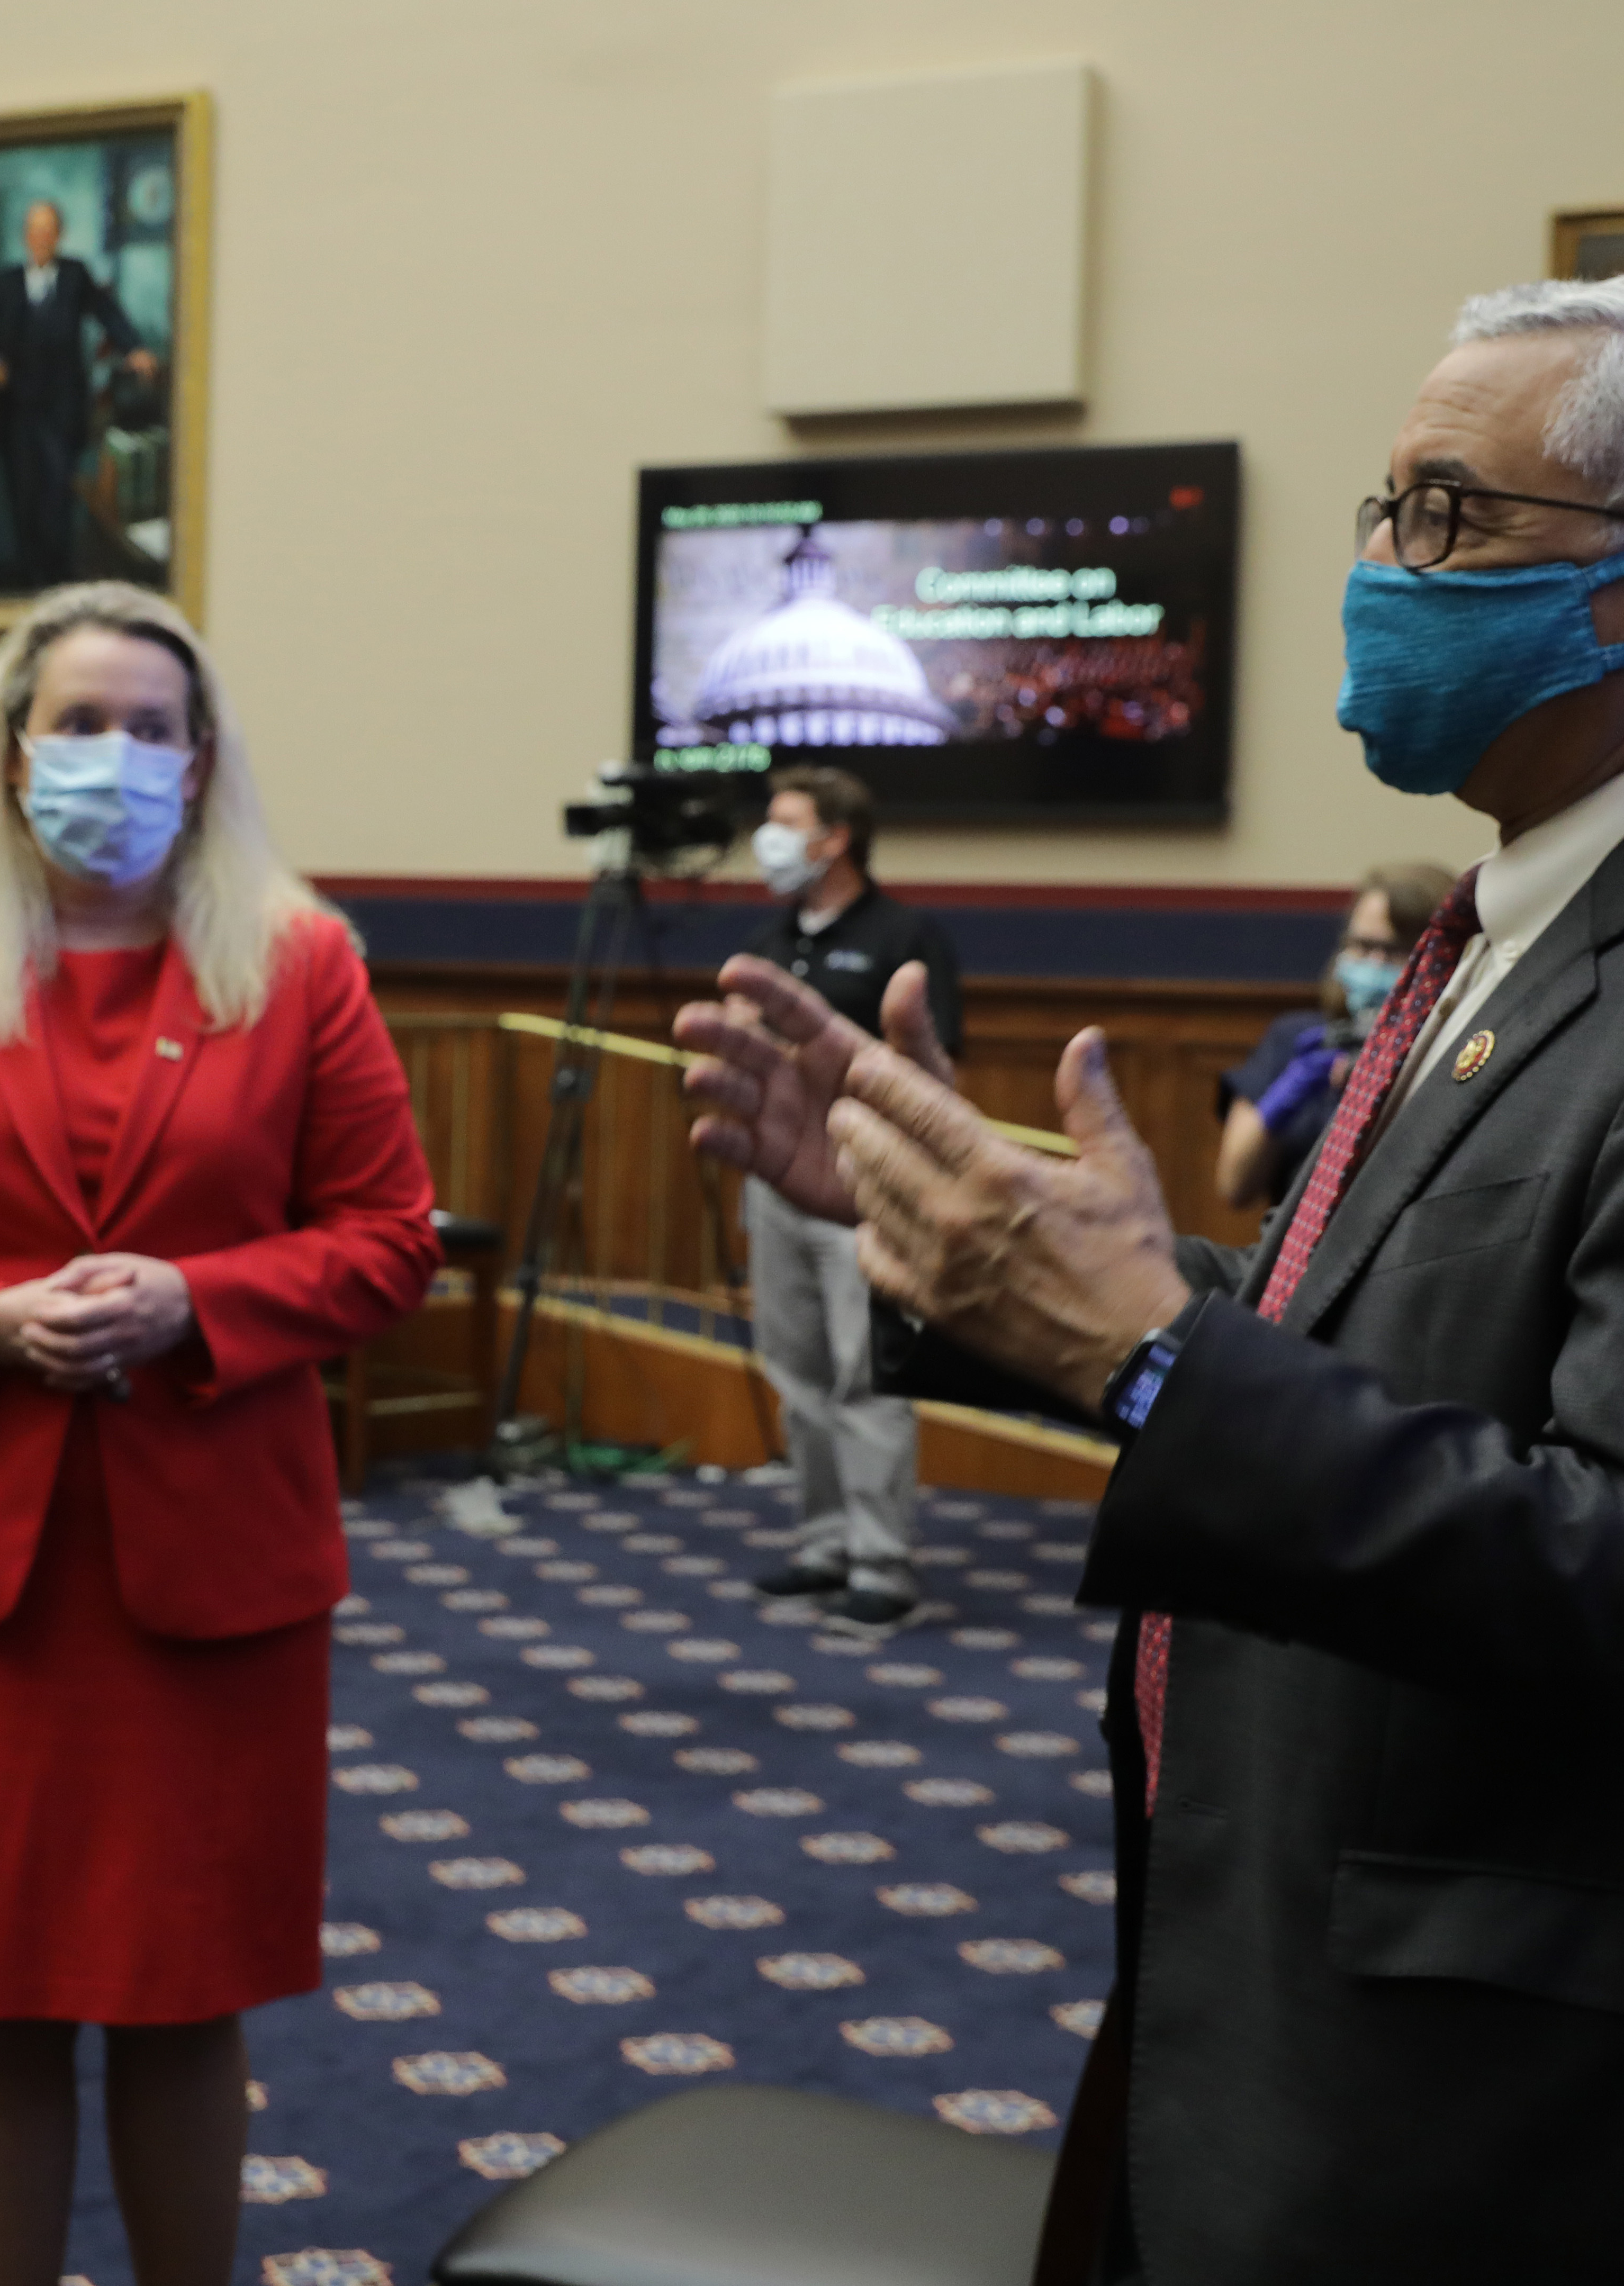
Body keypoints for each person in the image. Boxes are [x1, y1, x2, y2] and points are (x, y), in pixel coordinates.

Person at [673, 278, 1624, 2284]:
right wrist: (950, 1211)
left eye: (1446, 522)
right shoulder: (1499, 922)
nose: (1381, 573)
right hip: (1283, 1965)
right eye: (1381, 514)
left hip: (1493, 2086)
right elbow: (1323, 1335)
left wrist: (1149, 1350)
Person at [0, 582, 438, 2286]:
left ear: (199, 768)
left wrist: (196, 1299)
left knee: (178, 1997)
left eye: (149, 728)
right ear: (9, 751)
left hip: (205, 1571)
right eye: (78, 722)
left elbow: (387, 1235)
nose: (111, 758)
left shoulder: (298, 966)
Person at [737, 765, 963, 1633]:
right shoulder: (764, 939)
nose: (768, 837)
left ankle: (880, 1559)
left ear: (833, 837)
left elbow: (932, 1062)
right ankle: (822, 1542)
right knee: (794, 1366)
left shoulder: (905, 933)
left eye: (784, 821)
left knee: (863, 1369)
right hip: (776, 1182)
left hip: (866, 1184)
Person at [1211, 862, 1452, 1208]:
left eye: (1397, 951)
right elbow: (1234, 1187)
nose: (1374, 964)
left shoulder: (1453, 1050)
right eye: (1362, 946)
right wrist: (1280, 1104)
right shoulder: (1299, 1039)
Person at [0, 200, 160, 591]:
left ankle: (57, 584)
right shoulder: (5, 284)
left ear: (59, 236)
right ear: (25, 237)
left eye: (48, 231)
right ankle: (30, 583)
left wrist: (133, 347)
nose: (41, 239)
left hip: (61, 410)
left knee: (57, 498)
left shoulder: (75, 276)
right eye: (35, 231)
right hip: (17, 411)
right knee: (23, 496)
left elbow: (107, 312)